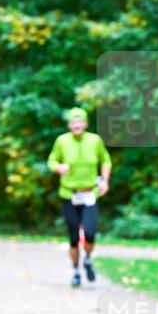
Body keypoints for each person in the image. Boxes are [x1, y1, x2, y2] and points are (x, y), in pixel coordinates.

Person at [46, 108, 111, 288]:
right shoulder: (62, 141)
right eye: (73, 122)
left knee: (89, 233)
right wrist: (58, 167)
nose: (77, 125)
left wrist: (104, 180)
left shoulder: (94, 140)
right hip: (69, 194)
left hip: (90, 193)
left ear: (86, 124)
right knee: (74, 237)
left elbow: (105, 160)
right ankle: (76, 270)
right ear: (69, 125)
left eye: (80, 121)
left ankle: (88, 259)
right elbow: (51, 160)